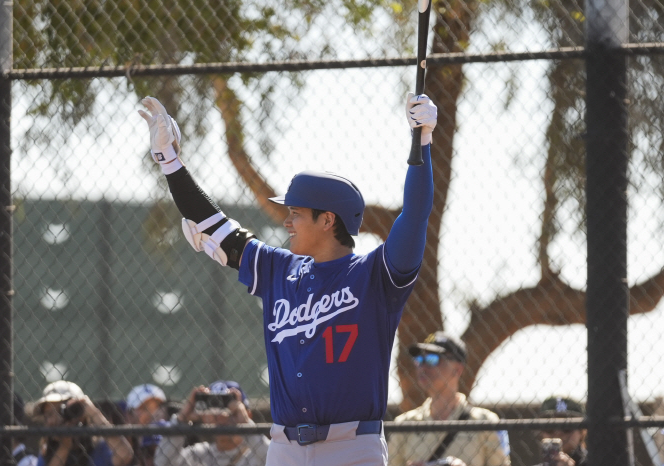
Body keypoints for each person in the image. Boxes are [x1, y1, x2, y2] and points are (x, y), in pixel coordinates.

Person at [138, 90, 436, 466]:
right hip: (284, 448)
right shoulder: (278, 268)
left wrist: (422, 141)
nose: (287, 221)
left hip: (352, 448)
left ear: (328, 220)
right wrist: (169, 161)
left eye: (296, 213)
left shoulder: (375, 274)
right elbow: (211, 223)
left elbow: (415, 214)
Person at [388, 332, 511, 466]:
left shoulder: (486, 422)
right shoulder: (404, 424)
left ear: (457, 369)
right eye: (419, 360)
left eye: (432, 359)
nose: (422, 367)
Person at [154, 380, 269, 466]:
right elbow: (161, 462)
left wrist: (245, 424)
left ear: (247, 414)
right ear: (204, 417)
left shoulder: (256, 454)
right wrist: (181, 419)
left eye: (230, 411)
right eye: (215, 410)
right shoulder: (199, 454)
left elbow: (279, 461)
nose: (222, 417)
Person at [34, 380, 134, 466]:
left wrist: (94, 414)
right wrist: (65, 445)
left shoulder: (97, 447)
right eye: (48, 415)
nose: (52, 421)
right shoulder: (47, 450)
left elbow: (125, 454)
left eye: (60, 411)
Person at [535, 396, 587, 466]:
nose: (558, 433)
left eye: (566, 426)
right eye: (550, 426)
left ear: (582, 432)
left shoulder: (598, 461)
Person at [125, 384, 167, 466]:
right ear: (129, 415)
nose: (153, 414)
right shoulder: (118, 444)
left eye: (157, 407)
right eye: (145, 408)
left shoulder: (175, 439)